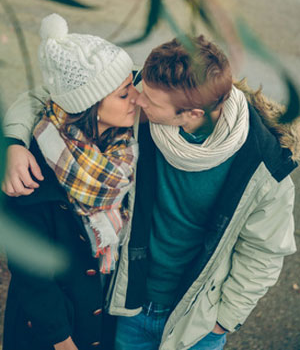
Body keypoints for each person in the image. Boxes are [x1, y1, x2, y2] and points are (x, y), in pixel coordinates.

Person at [2, 35, 298, 350]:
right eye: (136, 90)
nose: (138, 99)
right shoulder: (146, 95)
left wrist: (224, 319)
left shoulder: (263, 164)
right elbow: (54, 94)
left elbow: (264, 252)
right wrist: (13, 142)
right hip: (128, 308)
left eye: (150, 102)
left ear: (193, 114)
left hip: (197, 321)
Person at [1, 13, 139, 350]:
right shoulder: (32, 169)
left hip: (105, 320)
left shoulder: (127, 147)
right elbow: (32, 273)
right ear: (88, 105)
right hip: (52, 332)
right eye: (123, 93)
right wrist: (60, 341)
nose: (138, 96)